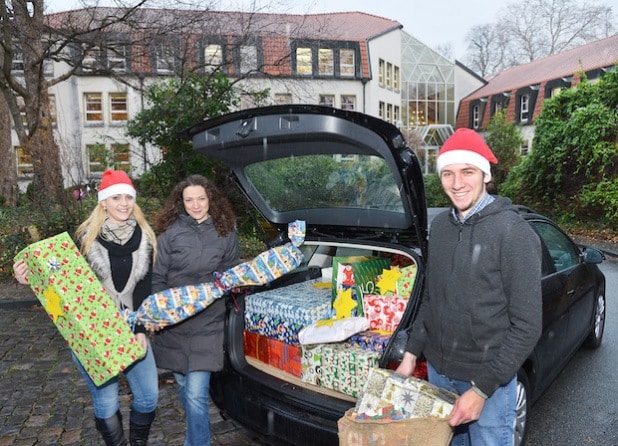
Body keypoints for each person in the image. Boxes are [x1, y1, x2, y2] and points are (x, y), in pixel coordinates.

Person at [396, 128, 542, 446]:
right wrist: (410, 355)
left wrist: (481, 390)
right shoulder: (441, 226)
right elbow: (431, 299)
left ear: (485, 175)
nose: (457, 183)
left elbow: (528, 327)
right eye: (448, 173)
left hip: (488, 379)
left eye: (467, 171)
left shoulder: (513, 233)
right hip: (438, 372)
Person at [13, 170, 159, 446]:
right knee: (105, 402)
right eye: (116, 197)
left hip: (131, 326)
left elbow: (145, 287)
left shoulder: (146, 237)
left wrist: (140, 328)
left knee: (149, 397)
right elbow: (55, 280)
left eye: (128, 197)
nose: (124, 203)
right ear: (103, 202)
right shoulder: (82, 239)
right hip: (92, 330)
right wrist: (29, 275)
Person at [151, 174, 240, 446]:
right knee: (183, 386)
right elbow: (157, 277)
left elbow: (231, 271)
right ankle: (198, 432)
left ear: (210, 198)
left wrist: (224, 286)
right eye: (189, 200)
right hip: (175, 322)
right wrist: (159, 312)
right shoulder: (169, 232)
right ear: (181, 202)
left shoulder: (226, 230)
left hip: (208, 321)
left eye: (201, 198)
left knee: (196, 393)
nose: (196, 205)